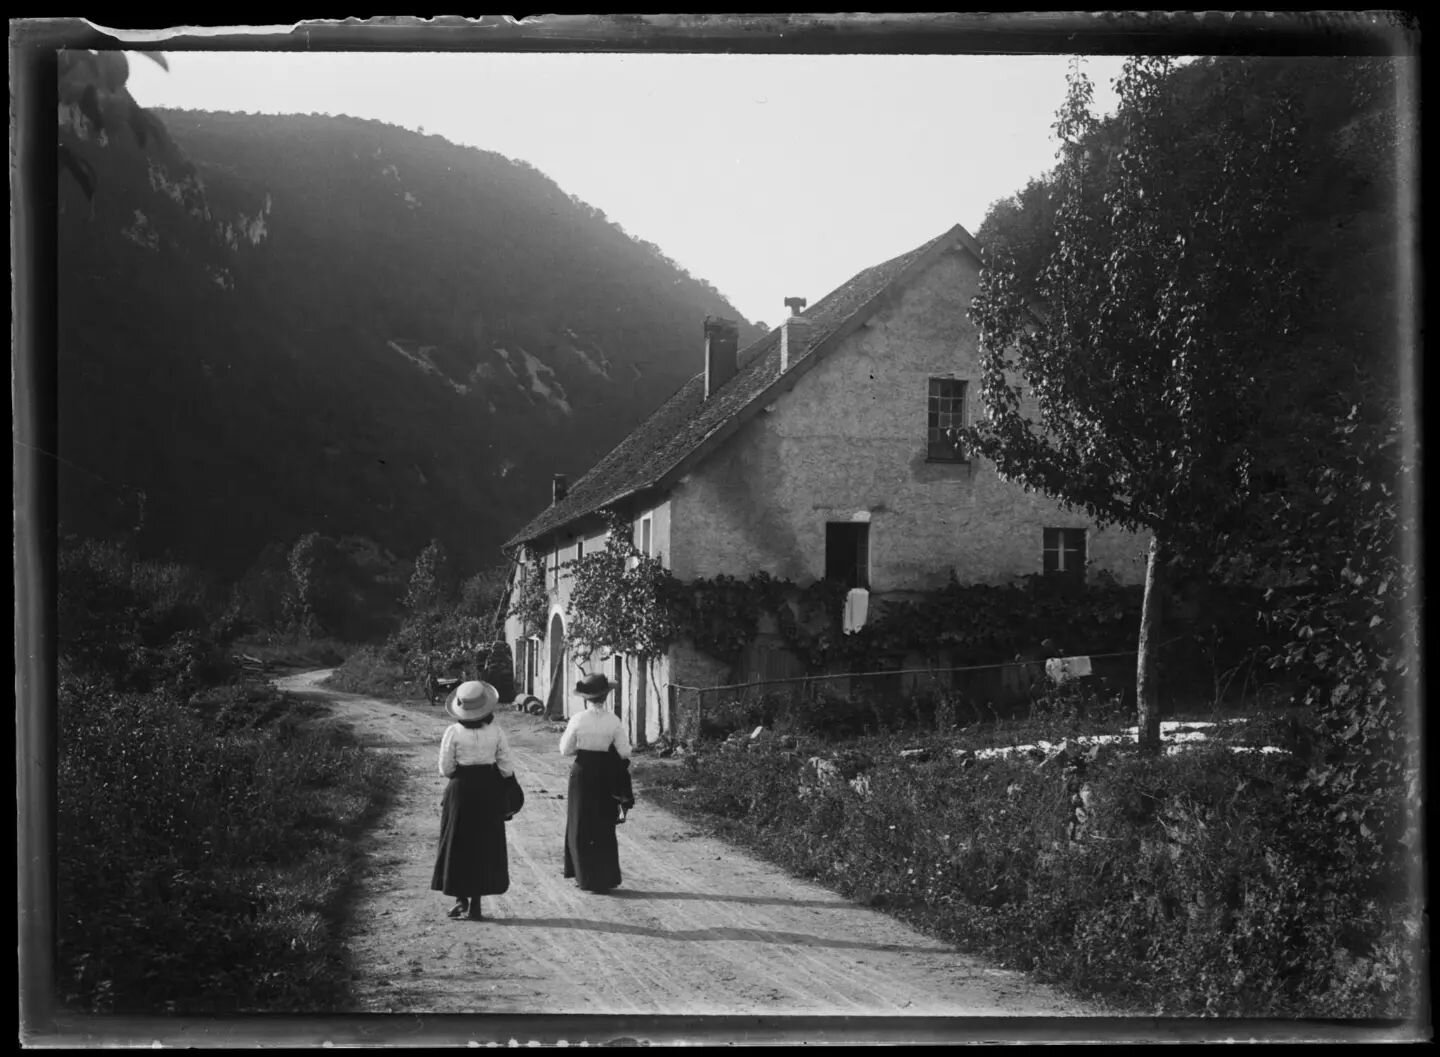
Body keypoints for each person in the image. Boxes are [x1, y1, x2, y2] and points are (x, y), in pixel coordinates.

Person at [431, 680, 514, 921]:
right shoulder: (496, 731)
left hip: (461, 790)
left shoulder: (453, 732)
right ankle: (476, 903)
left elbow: (445, 768)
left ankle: (461, 900)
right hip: (488, 789)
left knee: (458, 844)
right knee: (484, 846)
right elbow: (507, 767)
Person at [559, 673, 632, 893]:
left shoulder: (578, 719)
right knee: (604, 822)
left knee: (580, 820)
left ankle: (583, 876)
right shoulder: (614, 720)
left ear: (585, 698)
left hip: (582, 771)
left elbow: (565, 750)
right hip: (605, 774)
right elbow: (625, 751)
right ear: (606, 696)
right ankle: (606, 877)